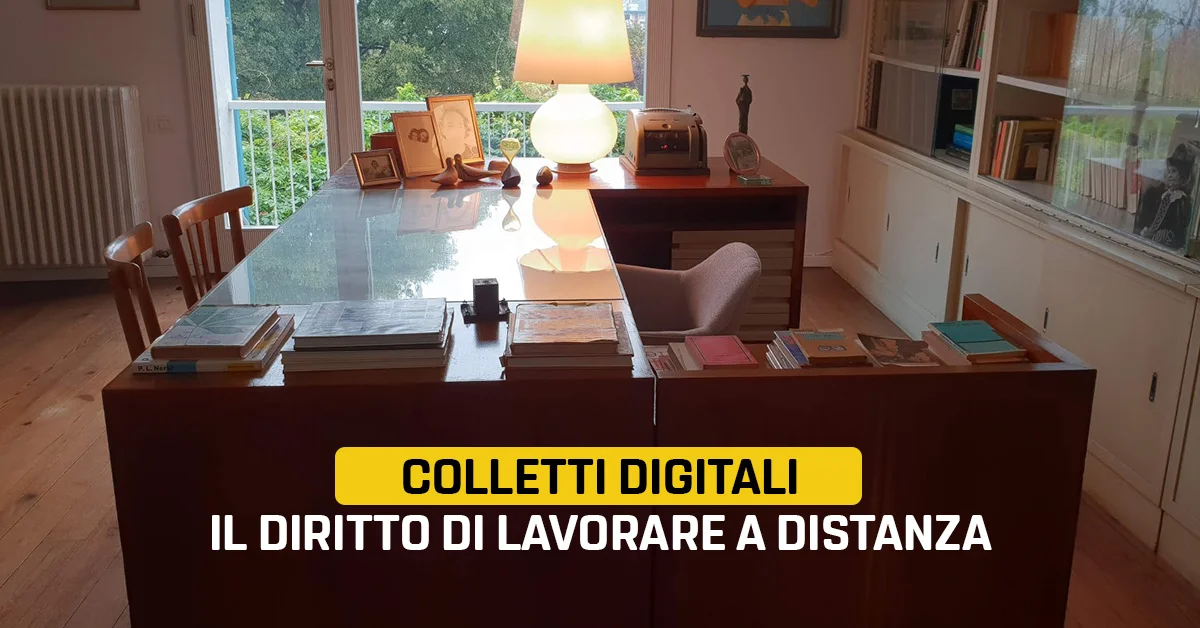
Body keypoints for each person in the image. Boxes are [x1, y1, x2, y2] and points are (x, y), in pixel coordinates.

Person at [1134, 142, 1199, 252]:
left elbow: (1180, 230)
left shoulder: (1181, 201)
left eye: (1174, 171)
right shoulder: (1161, 195)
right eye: (1169, 171)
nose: (1169, 175)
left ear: (1183, 177)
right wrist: (1146, 231)